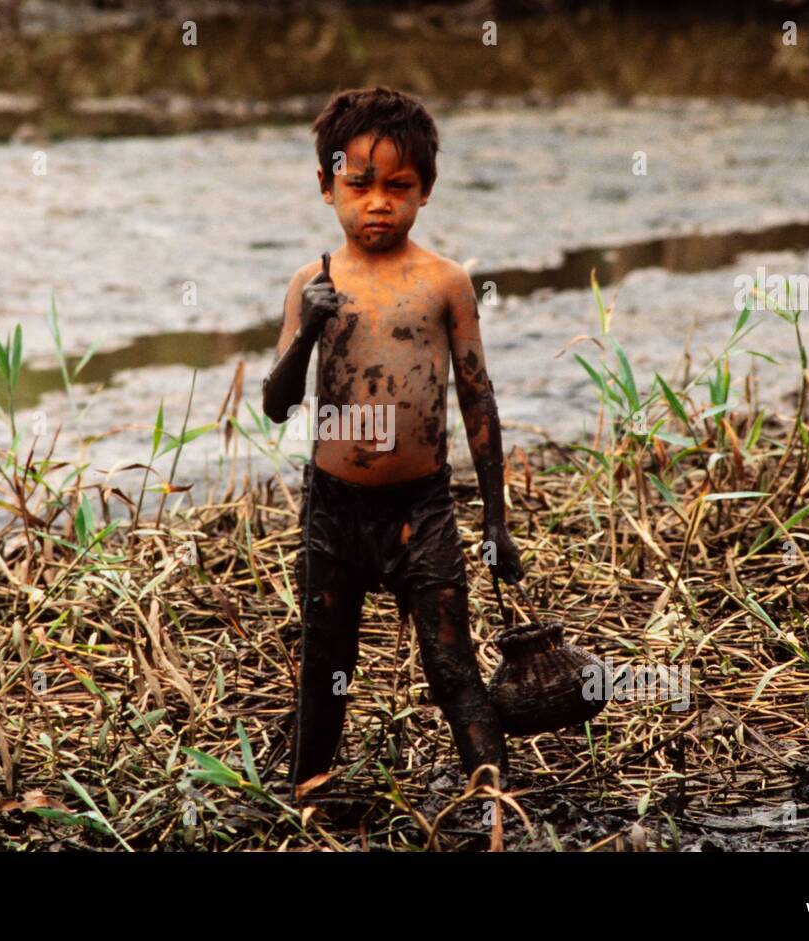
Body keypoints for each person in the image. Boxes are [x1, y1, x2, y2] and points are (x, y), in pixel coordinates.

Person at [261, 86, 524, 801]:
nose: (378, 201)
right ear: (327, 185)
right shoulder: (311, 284)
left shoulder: (444, 282)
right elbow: (276, 405)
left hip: (422, 507)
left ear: (426, 191)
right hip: (333, 506)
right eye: (359, 184)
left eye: (399, 186)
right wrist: (310, 329)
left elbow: (477, 395)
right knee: (327, 653)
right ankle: (310, 783)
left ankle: (490, 789)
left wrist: (496, 520)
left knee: (452, 660)